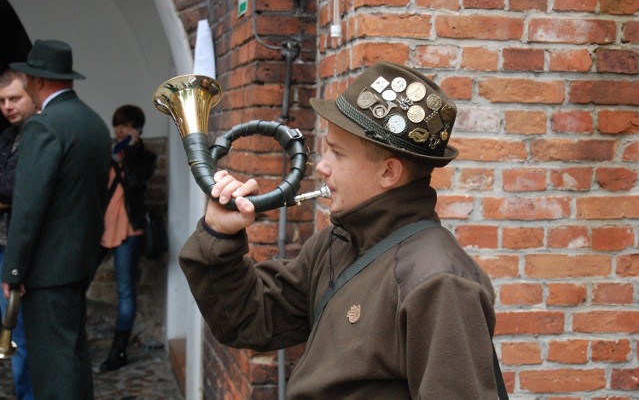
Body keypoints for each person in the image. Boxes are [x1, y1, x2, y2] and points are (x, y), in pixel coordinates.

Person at [179, 61, 503, 398]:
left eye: (337, 153)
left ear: (389, 172)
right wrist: (219, 234)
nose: (321, 166)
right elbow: (253, 321)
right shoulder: (339, 242)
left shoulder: (439, 281)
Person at [1, 39, 111, 399]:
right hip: (79, 261)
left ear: (39, 80)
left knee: (53, 368)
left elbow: (28, 207)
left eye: (30, 78)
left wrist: (14, 270)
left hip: (47, 269)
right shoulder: (92, 121)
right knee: (74, 357)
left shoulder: (44, 126)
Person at [99, 104, 156, 372]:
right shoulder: (108, 154)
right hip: (100, 227)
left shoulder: (145, 157)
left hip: (129, 230)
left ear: (137, 129)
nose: (119, 130)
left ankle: (118, 351)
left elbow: (135, 182)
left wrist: (131, 151)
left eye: (126, 125)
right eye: (117, 125)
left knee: (125, 290)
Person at [0, 69, 35, 400]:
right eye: (2, 101)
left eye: (14, 98)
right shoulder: (8, 137)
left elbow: (16, 190)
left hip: (19, 248)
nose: (8, 106)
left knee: (20, 333)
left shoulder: (36, 135)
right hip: (4, 242)